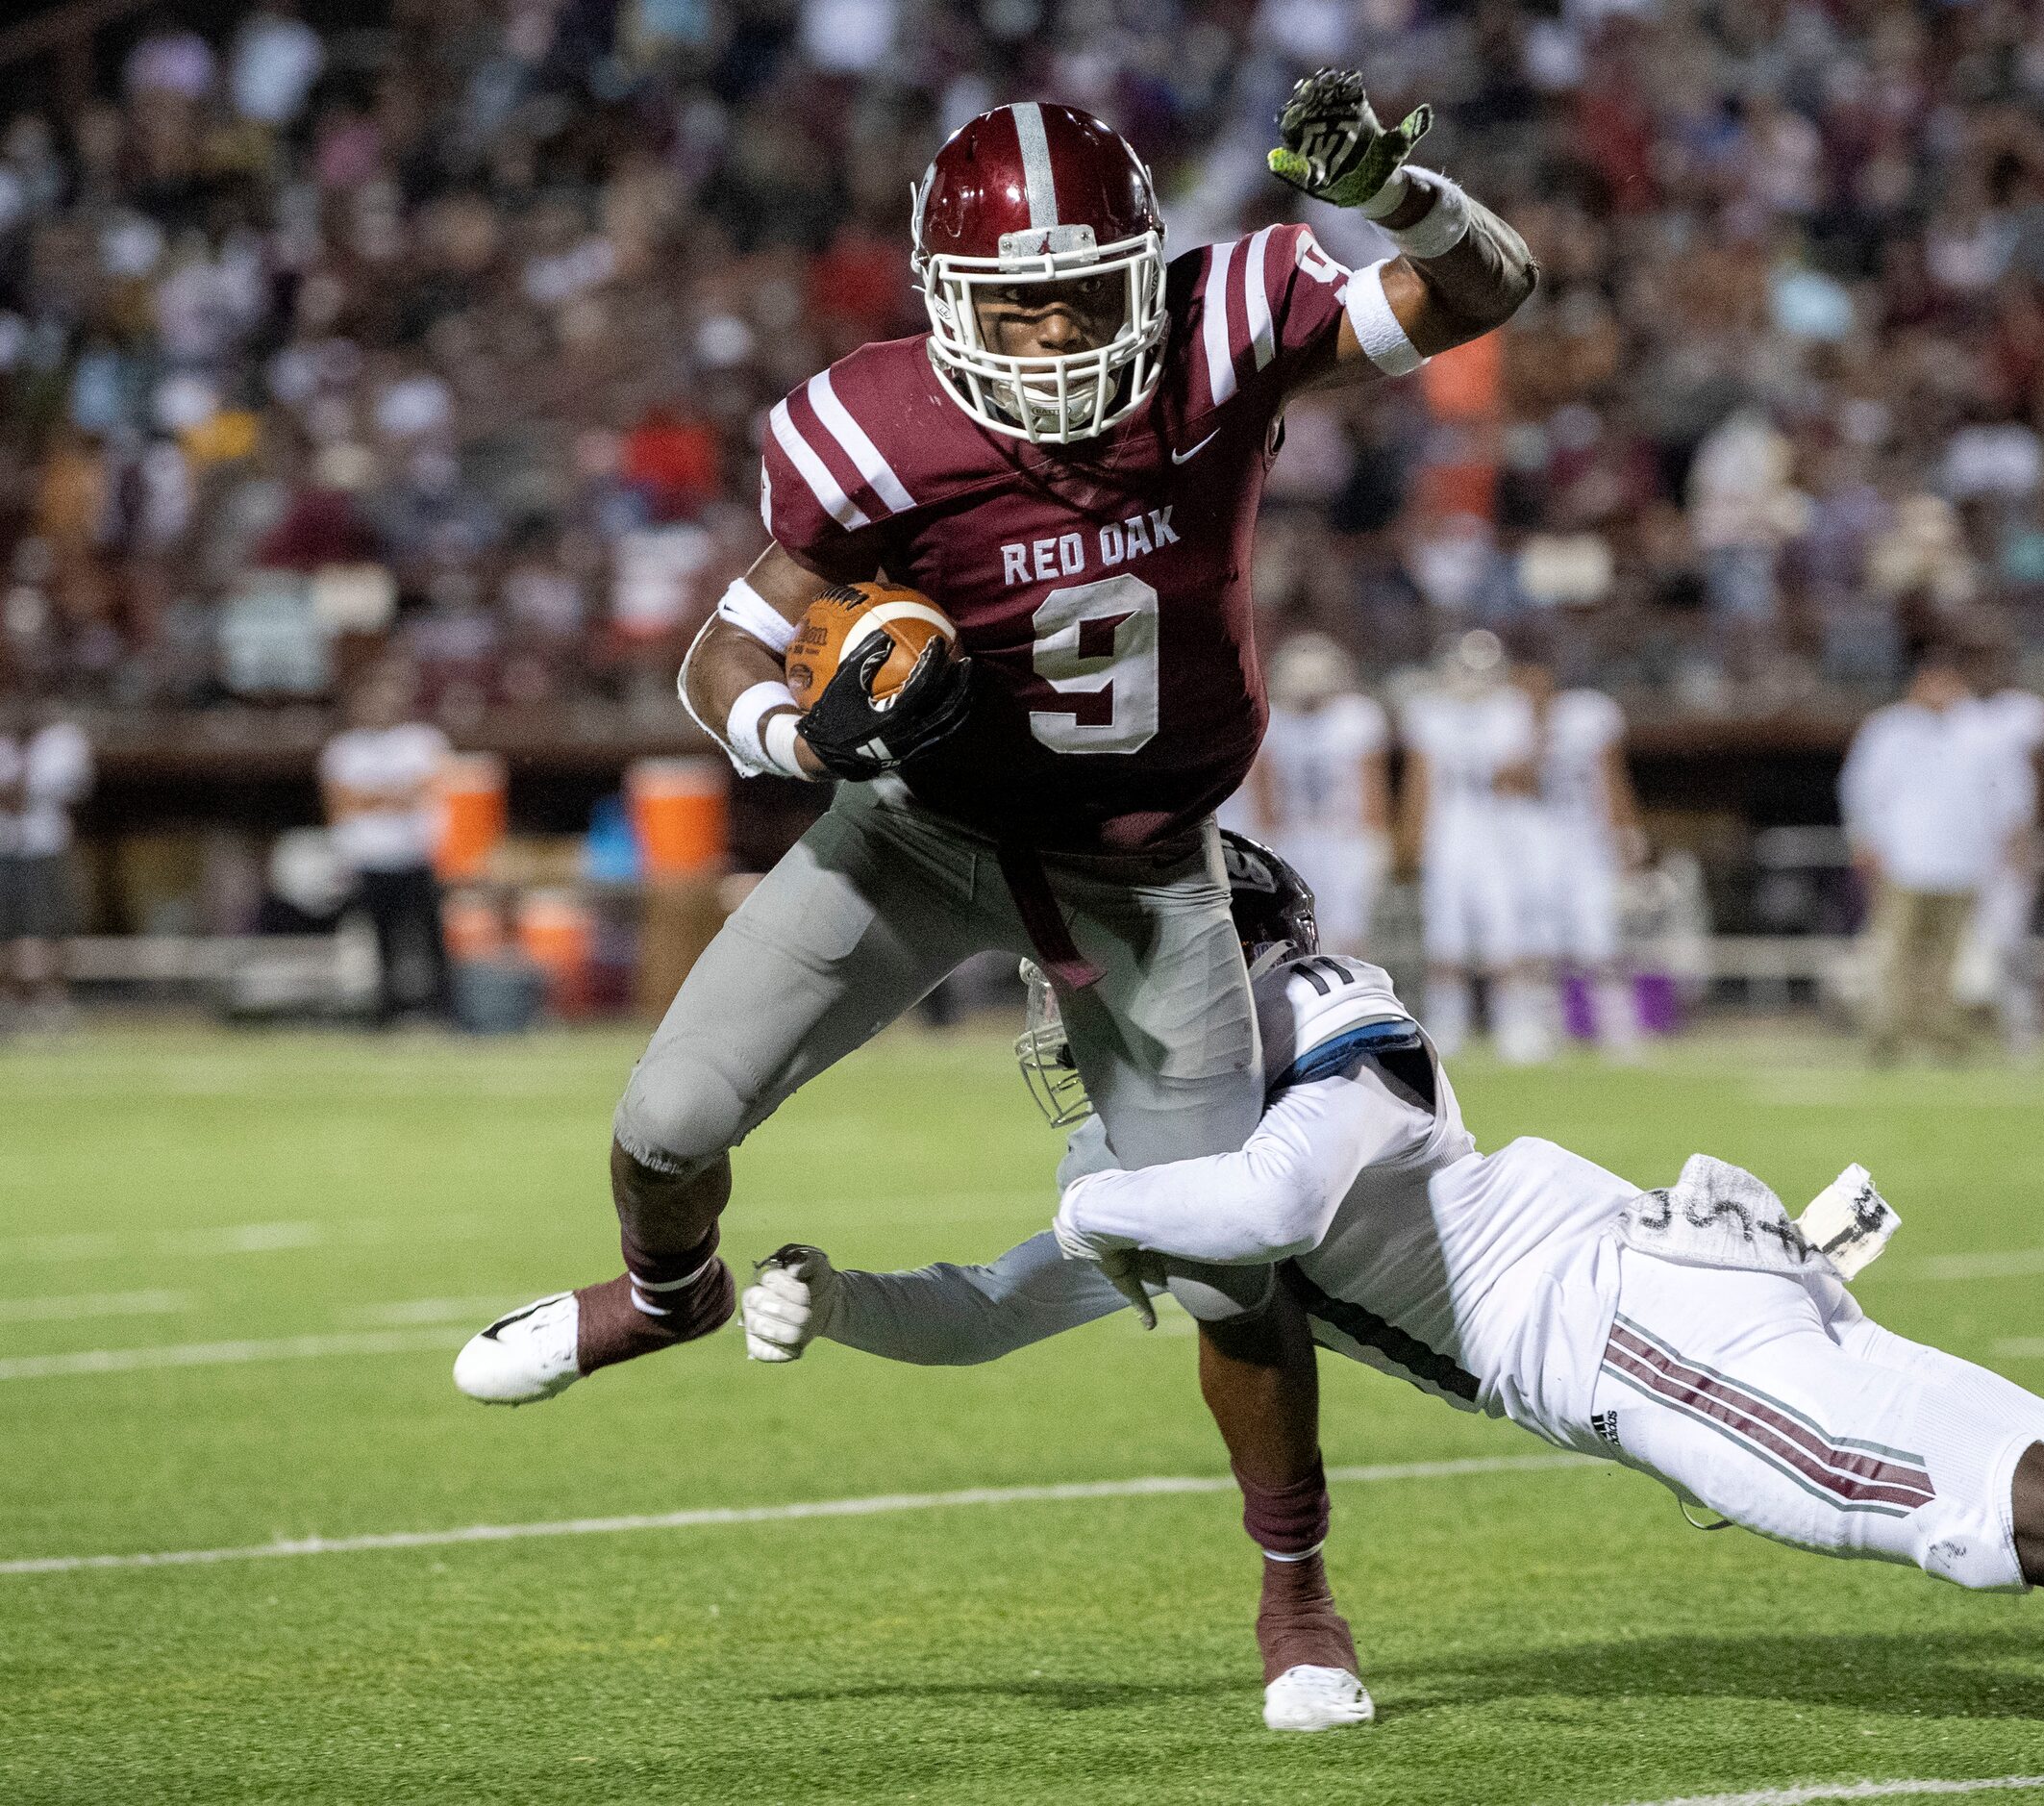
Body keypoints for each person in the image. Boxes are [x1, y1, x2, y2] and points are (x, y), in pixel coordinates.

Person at [453, 79, 1536, 1706]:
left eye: (1078, 300)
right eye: (1006, 308)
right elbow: (722, 649)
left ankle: (1297, 1588)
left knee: (1224, 1258)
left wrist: (1398, 192)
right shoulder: (867, 427)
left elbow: (1480, 290)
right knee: (665, 1123)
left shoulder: (1223, 324)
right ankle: (671, 1294)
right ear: (942, 302)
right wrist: (796, 727)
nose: (1042, 343)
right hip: (917, 832)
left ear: (1142, 272)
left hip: (1142, 864)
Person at [742, 837, 2044, 1712]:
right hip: (1676, 1288)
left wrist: (1096, 1212)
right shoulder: (1153, 1147)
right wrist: (844, 1298)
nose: (1076, 1021)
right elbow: (1010, 1301)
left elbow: (1258, 1215)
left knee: (2001, 1527)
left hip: (1616, 1330)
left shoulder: (1319, 1015)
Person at [1839, 646, 2015, 1062]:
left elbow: (2007, 794)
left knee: (1948, 957)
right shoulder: (1888, 730)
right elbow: (1861, 790)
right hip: (1905, 860)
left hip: (1963, 861)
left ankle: (1942, 1036)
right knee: (1895, 951)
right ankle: (1886, 1035)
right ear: (1917, 684)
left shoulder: (1981, 731)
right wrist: (1864, 839)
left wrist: (2007, 842)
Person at [1399, 629, 1550, 1061]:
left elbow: (1521, 779)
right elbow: (1419, 781)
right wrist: (1409, 840)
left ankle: (1515, 1022)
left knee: (1505, 925)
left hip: (1497, 827)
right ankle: (1449, 1023)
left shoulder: (1510, 708)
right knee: (1445, 930)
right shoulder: (1428, 711)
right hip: (1448, 828)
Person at [1518, 655, 1646, 1060]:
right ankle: (1542, 1029)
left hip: (1587, 840)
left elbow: (1611, 777)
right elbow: (1510, 785)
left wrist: (1626, 834)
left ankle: (1617, 1027)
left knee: (1598, 935)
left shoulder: (1587, 714)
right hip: (1534, 841)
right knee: (1540, 938)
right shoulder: (1508, 723)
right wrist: (1535, 734)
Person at [317, 659, 451, 1026]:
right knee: (379, 942)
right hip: (369, 859)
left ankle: (443, 1011)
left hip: (415, 857)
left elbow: (432, 790)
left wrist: (372, 797)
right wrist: (398, 794)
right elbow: (341, 802)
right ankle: (383, 1015)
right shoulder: (343, 748)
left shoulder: (423, 740)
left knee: (431, 939)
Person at [1251, 634, 1391, 959]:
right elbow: (1265, 790)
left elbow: (1371, 782)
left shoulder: (1358, 717)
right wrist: (1265, 839)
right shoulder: (1274, 720)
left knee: (1348, 933)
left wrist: (1376, 836)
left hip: (1344, 836)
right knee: (1291, 929)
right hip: (1293, 836)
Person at [1967, 652, 2044, 1059]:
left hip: (2011, 839)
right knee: (1968, 943)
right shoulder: (1959, 716)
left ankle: (2022, 1028)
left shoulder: (2022, 712)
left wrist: (2032, 832)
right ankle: (1963, 1030)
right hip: (1966, 846)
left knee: (2011, 942)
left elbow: (2043, 770)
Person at [0, 687, 94, 1028]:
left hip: (46, 847)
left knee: (52, 926)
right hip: (5, 849)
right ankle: (9, 1000)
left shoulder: (64, 741)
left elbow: (37, 793)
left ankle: (52, 999)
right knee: (7, 930)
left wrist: (20, 784)